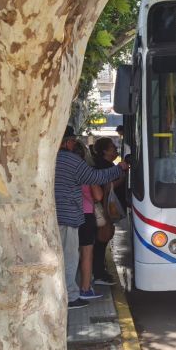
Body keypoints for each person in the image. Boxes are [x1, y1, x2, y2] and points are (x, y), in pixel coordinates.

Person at [56, 126, 128, 309]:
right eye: (72, 141)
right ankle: (71, 297)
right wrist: (119, 169)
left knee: (63, 257)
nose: (73, 144)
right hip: (69, 215)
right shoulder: (71, 160)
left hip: (55, 215)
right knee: (71, 257)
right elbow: (94, 176)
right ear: (67, 142)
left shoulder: (52, 159)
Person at [69, 141, 104, 301]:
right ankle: (84, 289)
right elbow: (98, 196)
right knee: (86, 254)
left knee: (67, 253)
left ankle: (66, 288)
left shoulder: (60, 169)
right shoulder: (86, 171)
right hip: (86, 215)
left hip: (66, 215)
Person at [90, 137, 125, 286]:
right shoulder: (102, 166)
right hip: (104, 209)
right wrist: (122, 178)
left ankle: (100, 270)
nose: (116, 149)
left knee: (103, 241)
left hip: (108, 209)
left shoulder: (108, 164)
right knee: (101, 241)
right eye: (112, 147)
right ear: (104, 151)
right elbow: (105, 186)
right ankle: (98, 273)